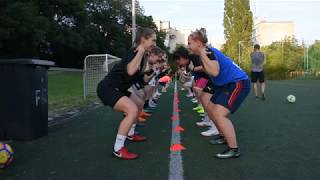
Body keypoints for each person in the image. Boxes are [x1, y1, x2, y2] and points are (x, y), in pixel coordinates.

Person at [97, 27, 161, 160]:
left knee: (138, 103)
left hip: (119, 89)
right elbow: (131, 71)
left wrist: (152, 73)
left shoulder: (142, 56)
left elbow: (141, 80)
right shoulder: (134, 51)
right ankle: (118, 148)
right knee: (132, 110)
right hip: (108, 88)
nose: (155, 44)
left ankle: (131, 133)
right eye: (153, 40)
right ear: (143, 39)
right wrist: (141, 51)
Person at [188, 28, 250, 159]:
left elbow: (215, 72)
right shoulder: (205, 52)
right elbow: (210, 69)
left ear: (198, 42)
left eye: (189, 43)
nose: (188, 45)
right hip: (226, 84)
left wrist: (202, 57)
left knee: (219, 113)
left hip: (238, 82)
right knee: (210, 108)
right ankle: (223, 135)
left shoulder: (207, 51)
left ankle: (234, 149)